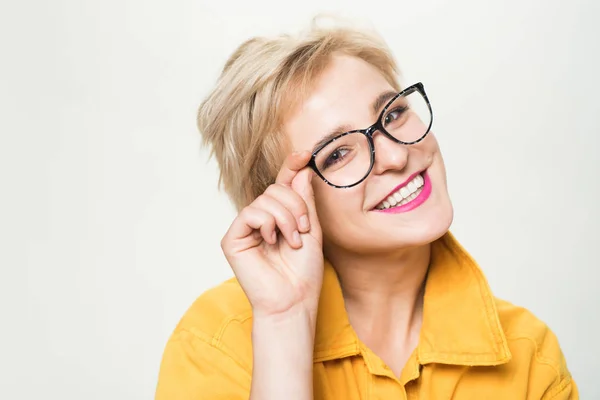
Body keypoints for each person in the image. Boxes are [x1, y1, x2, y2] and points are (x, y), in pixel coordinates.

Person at [155, 17, 577, 399]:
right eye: (339, 154)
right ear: (284, 200)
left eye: (393, 114)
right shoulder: (216, 343)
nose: (395, 156)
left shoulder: (528, 355)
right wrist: (284, 325)